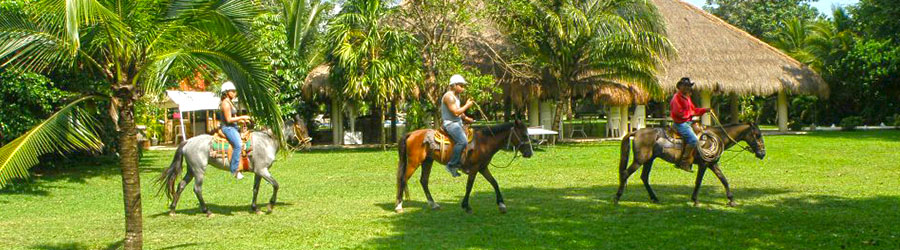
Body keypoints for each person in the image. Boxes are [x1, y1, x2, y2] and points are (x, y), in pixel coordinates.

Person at [670, 77, 709, 173]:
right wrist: (691, 113)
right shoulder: (676, 98)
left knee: (702, 133)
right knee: (693, 140)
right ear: (680, 86)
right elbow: (678, 112)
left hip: (688, 122)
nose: (687, 88)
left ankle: (697, 157)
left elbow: (694, 109)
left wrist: (704, 110)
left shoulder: (687, 98)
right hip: (681, 123)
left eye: (689, 86)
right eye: (685, 86)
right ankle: (684, 162)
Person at [441, 74, 476, 177]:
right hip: (450, 124)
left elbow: (459, 113)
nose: (463, 88)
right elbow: (456, 112)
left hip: (458, 122)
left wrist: (466, 118)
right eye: (461, 86)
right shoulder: (449, 97)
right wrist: (467, 105)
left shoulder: (456, 97)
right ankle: (451, 165)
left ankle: (464, 163)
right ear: (454, 85)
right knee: (463, 141)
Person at [220, 81, 252, 180]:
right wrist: (242, 117)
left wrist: (241, 121)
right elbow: (228, 119)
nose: (235, 93)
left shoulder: (230, 102)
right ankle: (235, 170)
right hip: (228, 128)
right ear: (226, 92)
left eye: (235, 91)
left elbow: (233, 117)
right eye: (232, 91)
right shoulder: (225, 104)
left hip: (233, 126)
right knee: (238, 145)